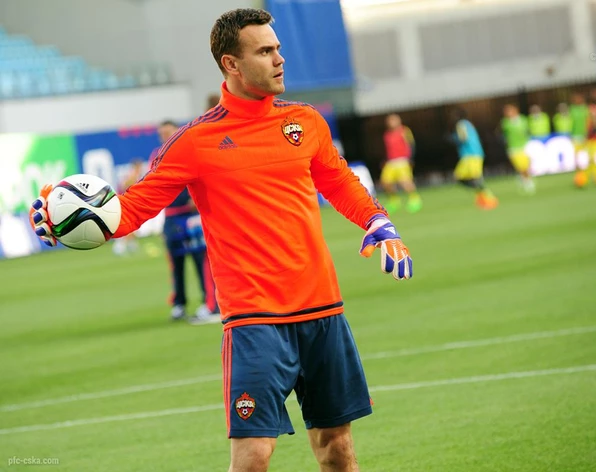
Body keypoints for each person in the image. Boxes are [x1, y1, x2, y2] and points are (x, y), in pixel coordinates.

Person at [30, 8, 413, 472]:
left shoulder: (305, 121)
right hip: (254, 321)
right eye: (265, 51)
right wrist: (65, 220)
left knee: (338, 449)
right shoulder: (195, 141)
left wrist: (378, 221)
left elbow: (338, 181)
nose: (279, 59)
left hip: (323, 311)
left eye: (278, 49)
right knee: (252, 457)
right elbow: (131, 209)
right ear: (231, 64)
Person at [153, 120, 220, 325]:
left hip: (191, 216)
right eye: (162, 134)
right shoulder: (157, 155)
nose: (165, 137)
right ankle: (179, 304)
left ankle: (209, 303)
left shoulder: (189, 150)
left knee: (201, 260)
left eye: (168, 132)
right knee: (176, 263)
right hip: (171, 216)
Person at [450, 108, 498, 209]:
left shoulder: (461, 124)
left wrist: (453, 138)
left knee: (472, 178)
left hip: (470, 154)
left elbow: (463, 138)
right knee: (463, 178)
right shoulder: (468, 124)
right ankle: (482, 196)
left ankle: (489, 198)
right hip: (473, 154)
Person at [380, 113, 422, 213]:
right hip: (391, 161)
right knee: (385, 182)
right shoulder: (387, 135)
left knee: (405, 181)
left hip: (402, 160)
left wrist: (410, 159)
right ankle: (394, 200)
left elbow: (411, 145)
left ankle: (415, 199)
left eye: (393, 120)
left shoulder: (405, 131)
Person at [112, 158, 147, 256]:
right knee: (131, 224)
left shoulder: (136, 175)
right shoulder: (132, 175)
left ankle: (131, 245)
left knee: (133, 226)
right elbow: (125, 187)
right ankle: (119, 246)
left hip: (129, 202)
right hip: (126, 203)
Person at [501, 104, 535, 193]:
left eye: (510, 111)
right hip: (513, 147)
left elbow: (527, 130)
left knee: (526, 165)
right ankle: (526, 180)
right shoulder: (506, 123)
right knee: (520, 166)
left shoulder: (523, 120)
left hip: (524, 145)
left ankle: (525, 179)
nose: (508, 113)